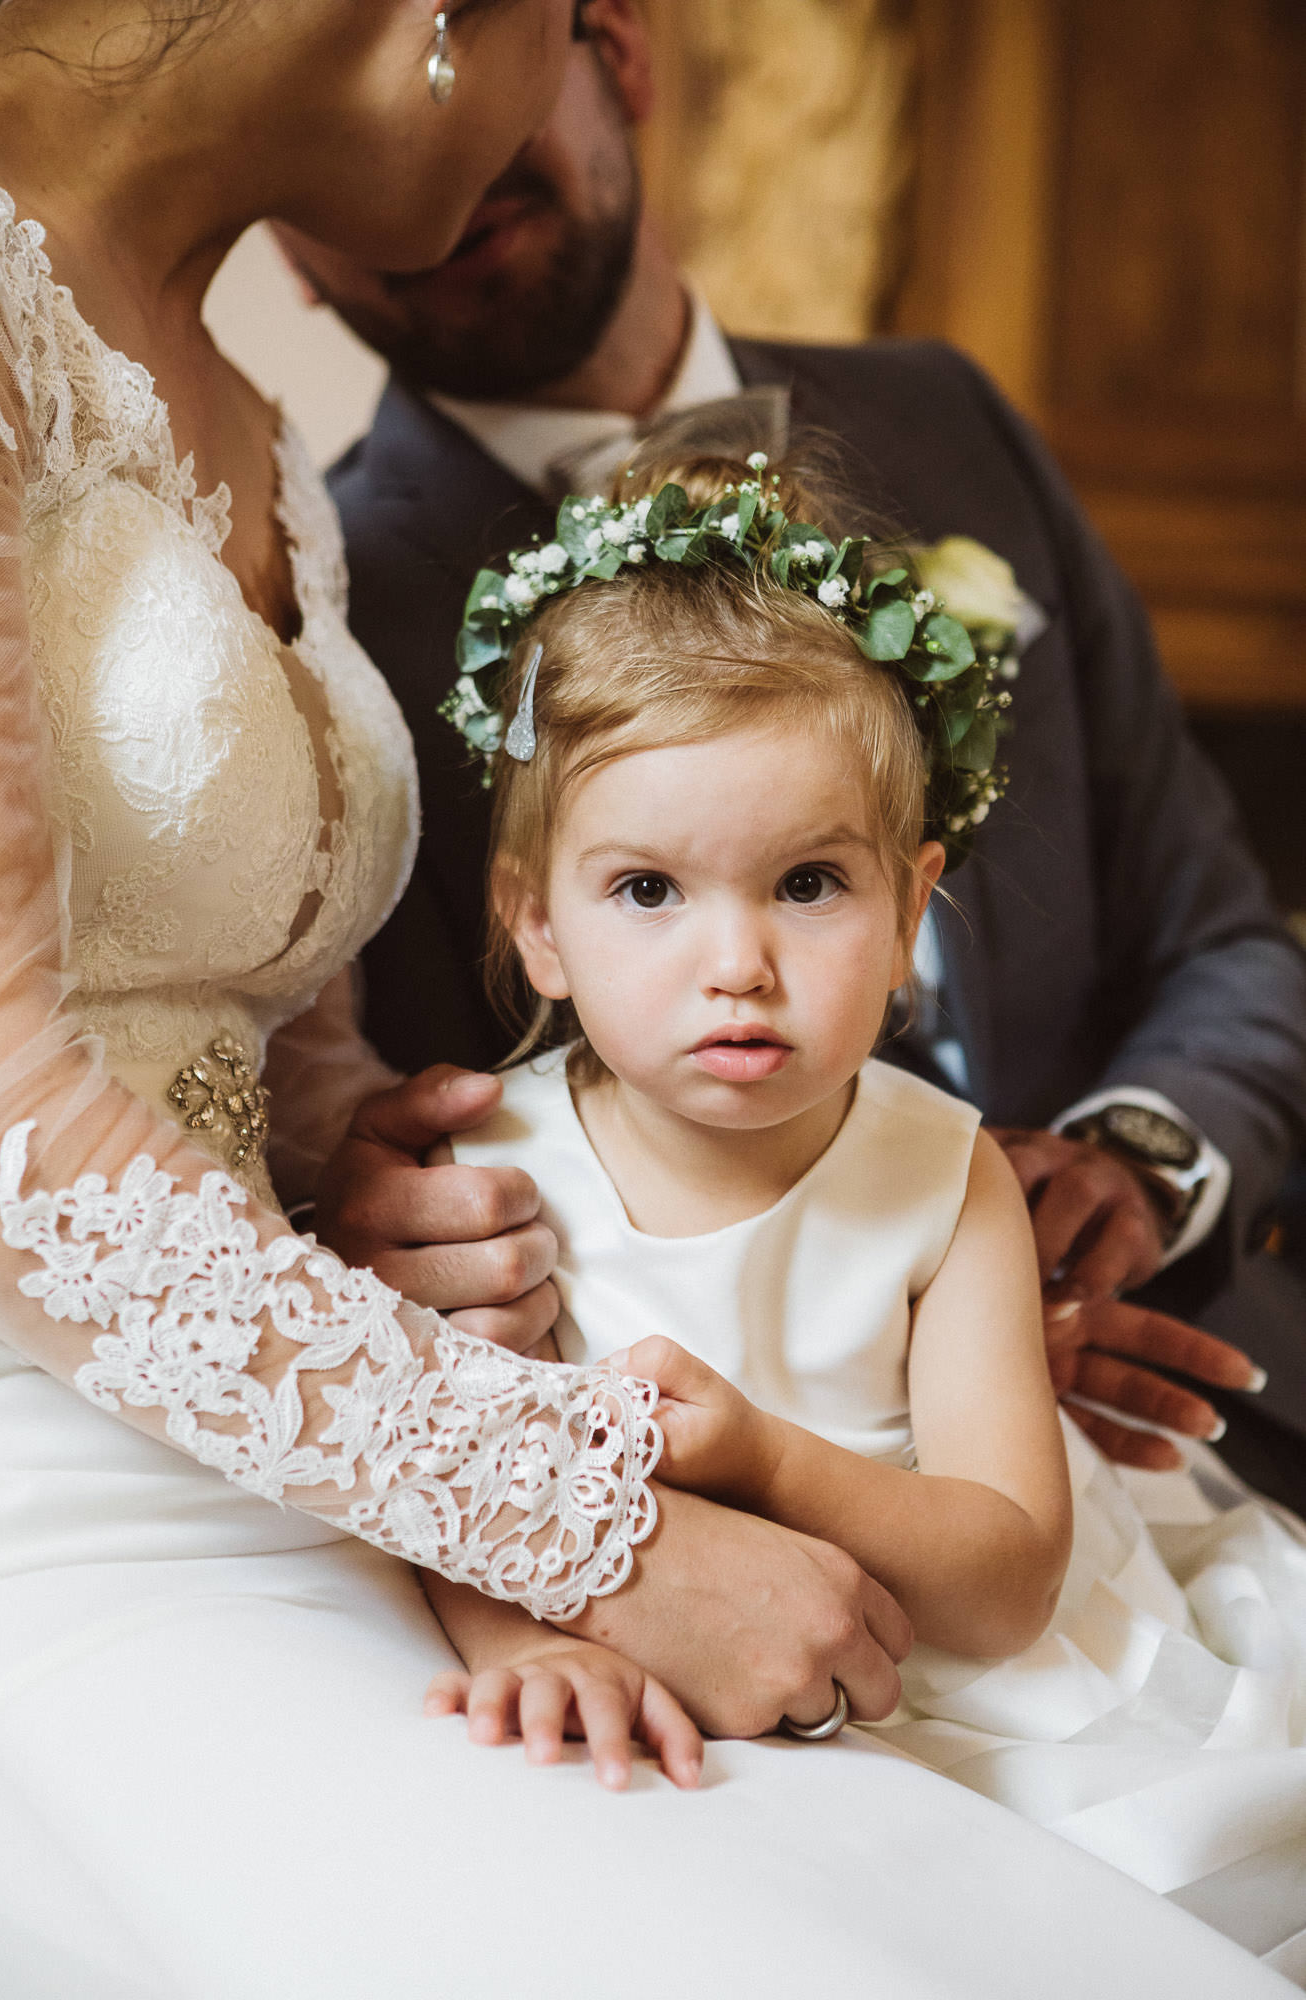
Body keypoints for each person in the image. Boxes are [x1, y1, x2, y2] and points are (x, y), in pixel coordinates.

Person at [0, 5, 1278, 1998]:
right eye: (651, 889)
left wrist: (348, 1153)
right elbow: (21, 1088)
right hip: (167, 1450)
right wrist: (557, 1520)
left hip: (527, 1439)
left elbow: (268, 991)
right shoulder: (302, 483)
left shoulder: (235, 426)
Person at [281, 0, 1306, 1512]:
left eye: (454, 71)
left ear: (616, 55)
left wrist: (1132, 1172)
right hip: (713, 1465)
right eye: (322, 155)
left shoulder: (951, 418)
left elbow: (1223, 939)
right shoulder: (318, 609)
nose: (414, 166)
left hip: (1183, 1393)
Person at [421, 451, 1306, 1963]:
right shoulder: (484, 1183)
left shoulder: (940, 1174)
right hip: (668, 1676)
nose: (736, 962)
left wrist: (770, 1458)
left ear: (910, 908)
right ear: (536, 924)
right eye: (647, 891)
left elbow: (1006, 1580)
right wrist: (523, 1637)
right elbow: (433, 1487)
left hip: (970, 1692)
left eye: (810, 885)